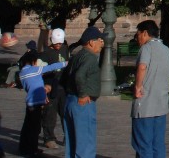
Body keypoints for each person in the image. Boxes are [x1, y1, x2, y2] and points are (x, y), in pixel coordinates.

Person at [131, 20, 169, 158]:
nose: (137, 38)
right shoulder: (167, 50)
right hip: (161, 105)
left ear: (145, 33)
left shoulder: (146, 48)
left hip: (145, 104)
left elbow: (142, 66)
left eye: (138, 34)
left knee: (143, 144)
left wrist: (138, 86)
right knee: (158, 143)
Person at [63, 26, 104, 158]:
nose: (102, 43)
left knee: (72, 143)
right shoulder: (90, 57)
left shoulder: (77, 56)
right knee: (85, 144)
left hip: (71, 101)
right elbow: (79, 75)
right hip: (82, 103)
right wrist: (83, 94)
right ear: (91, 42)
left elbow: (65, 77)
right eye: (100, 40)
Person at [18, 51, 68, 157]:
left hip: (30, 103)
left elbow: (31, 87)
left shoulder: (22, 73)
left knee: (27, 127)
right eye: (36, 61)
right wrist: (66, 63)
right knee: (34, 128)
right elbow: (51, 67)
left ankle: (25, 148)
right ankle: (31, 150)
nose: (37, 63)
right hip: (35, 104)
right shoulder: (34, 70)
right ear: (32, 61)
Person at [41, 28, 69, 149]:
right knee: (50, 114)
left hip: (63, 86)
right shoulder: (46, 53)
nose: (58, 45)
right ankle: (49, 138)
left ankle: (68, 136)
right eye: (56, 43)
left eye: (60, 43)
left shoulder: (65, 49)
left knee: (65, 113)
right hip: (50, 86)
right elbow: (39, 71)